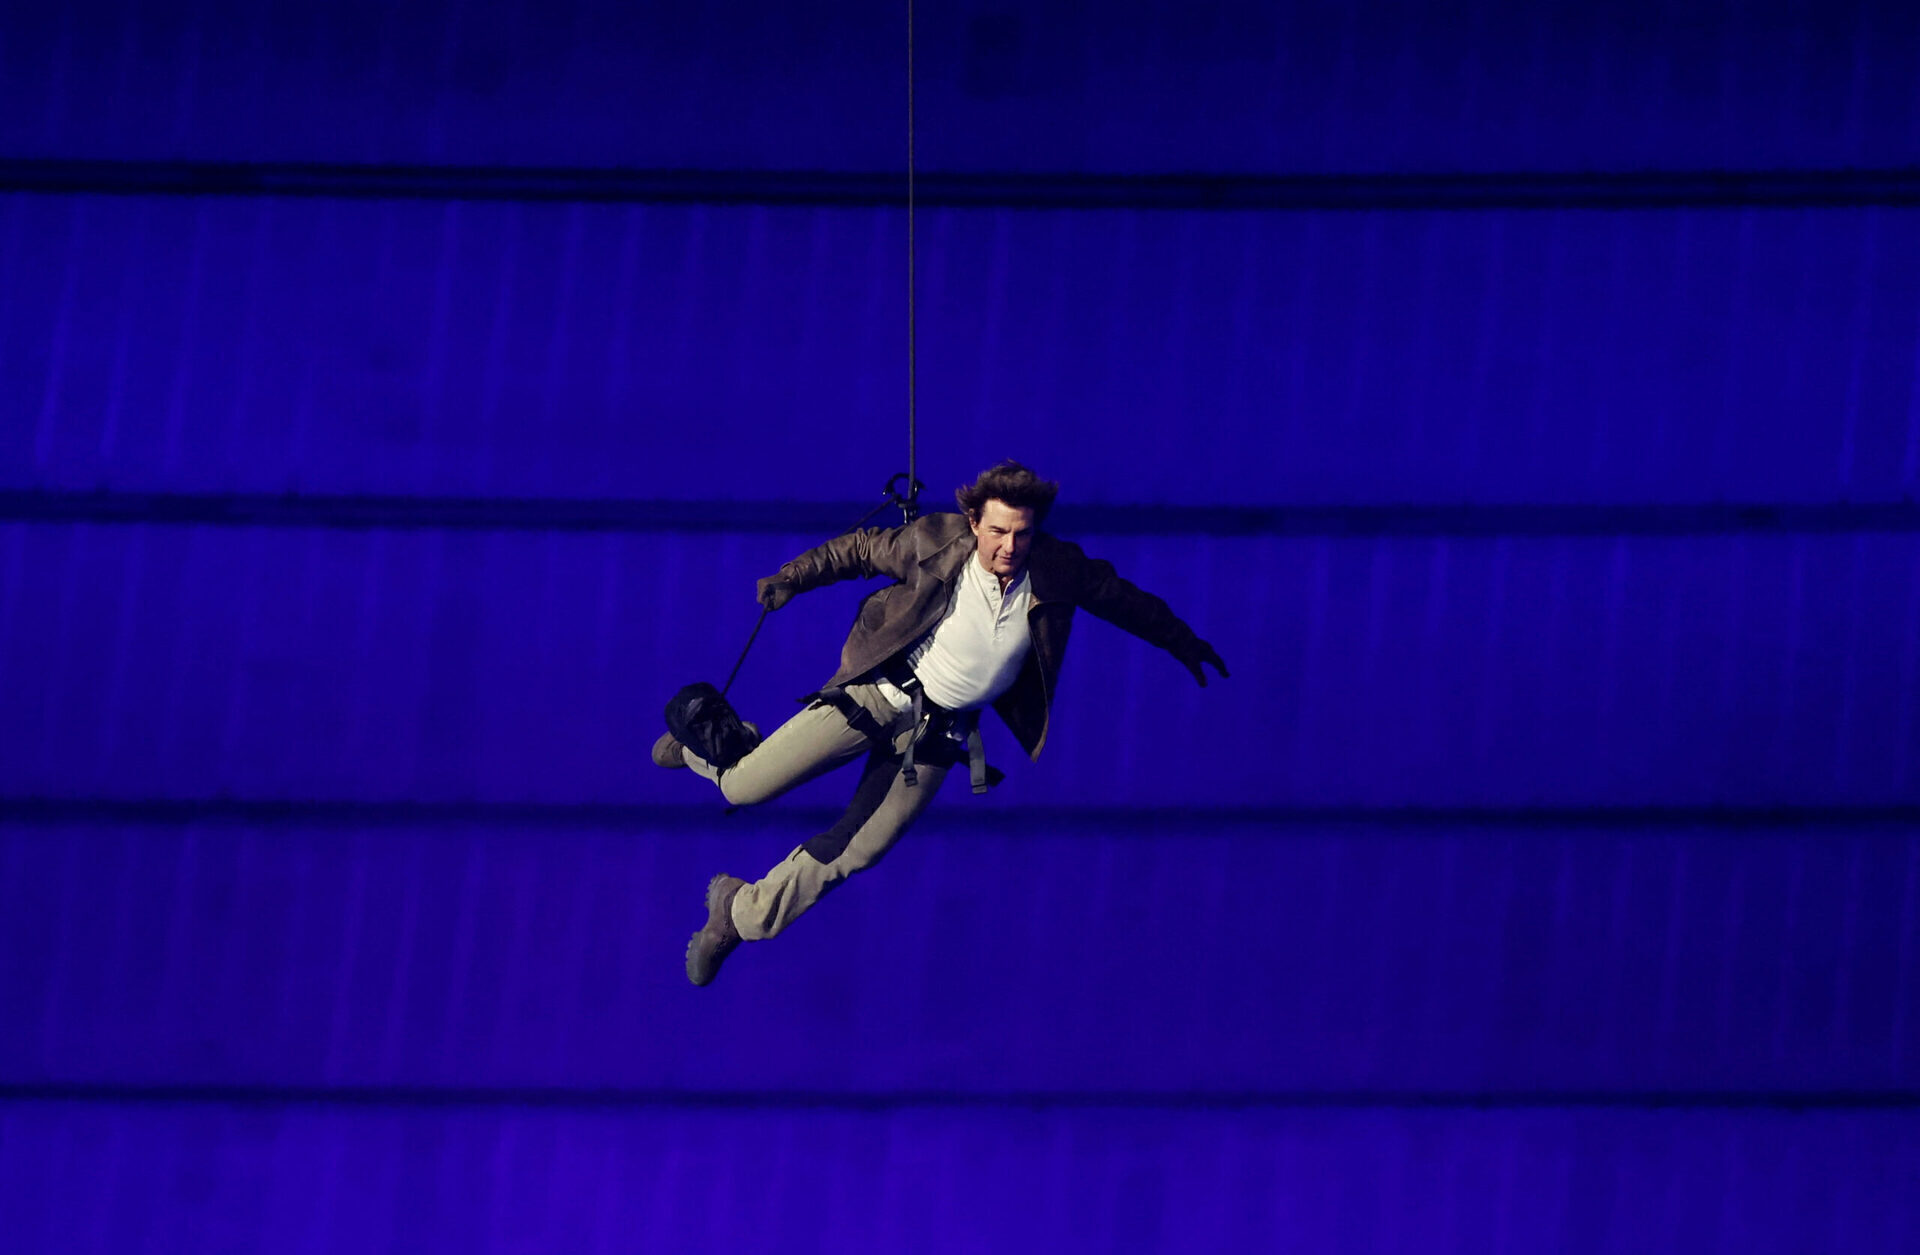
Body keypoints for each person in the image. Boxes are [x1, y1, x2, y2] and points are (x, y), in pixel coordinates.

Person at [655, 461, 1229, 985]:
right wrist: (794, 576)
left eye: (1022, 533)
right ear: (975, 522)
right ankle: (701, 749)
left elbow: (1123, 600)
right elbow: (860, 549)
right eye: (998, 531)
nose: (1010, 546)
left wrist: (1183, 642)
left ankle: (739, 913)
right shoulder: (937, 540)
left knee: (863, 847)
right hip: (879, 694)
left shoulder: (1056, 568)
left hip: (936, 733)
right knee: (743, 786)